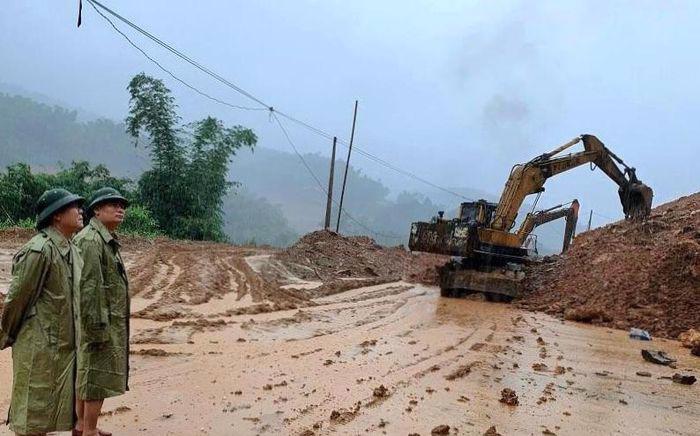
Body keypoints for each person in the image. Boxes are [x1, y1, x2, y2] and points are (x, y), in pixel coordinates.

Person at [0, 188, 84, 436]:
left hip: (61, 345)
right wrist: (6, 334)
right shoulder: (39, 250)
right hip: (39, 344)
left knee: (51, 410)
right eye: (73, 207)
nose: (81, 211)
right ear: (56, 216)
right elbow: (17, 300)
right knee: (32, 412)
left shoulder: (70, 248)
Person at [72, 188, 130, 436]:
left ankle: (84, 426)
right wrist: (97, 327)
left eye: (122, 206)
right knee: (95, 377)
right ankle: (88, 429)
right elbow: (89, 287)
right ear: (96, 210)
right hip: (97, 321)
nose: (120, 209)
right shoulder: (91, 240)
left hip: (106, 319)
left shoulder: (103, 238)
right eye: (113, 205)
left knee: (94, 374)